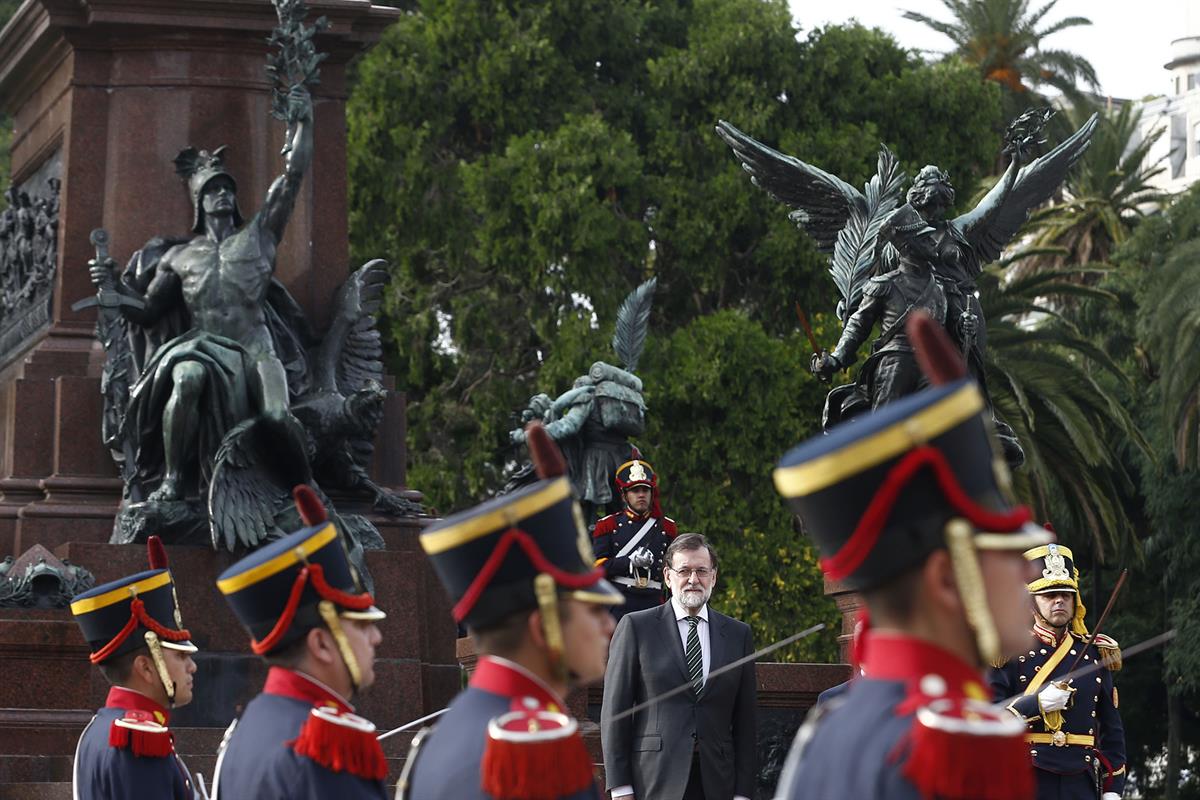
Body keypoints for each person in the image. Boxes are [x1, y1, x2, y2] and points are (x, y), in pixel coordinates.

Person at [771, 364, 1054, 799]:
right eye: (1007, 553)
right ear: (947, 579)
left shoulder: (828, 729)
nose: (1031, 571)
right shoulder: (961, 742)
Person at [89, 85, 314, 503]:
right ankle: (174, 481)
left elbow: (293, 177)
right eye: (213, 189)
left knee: (277, 416)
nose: (223, 193)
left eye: (227, 187)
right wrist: (115, 287)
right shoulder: (179, 257)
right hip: (203, 346)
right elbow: (150, 310)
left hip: (255, 348)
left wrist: (303, 120)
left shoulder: (261, 235)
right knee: (186, 377)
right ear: (199, 201)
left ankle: (306, 488)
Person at [400, 421, 622, 800]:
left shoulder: (438, 738)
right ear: (543, 625)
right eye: (592, 609)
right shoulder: (536, 748)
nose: (609, 623)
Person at [211, 486, 389, 799]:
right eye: (361, 626)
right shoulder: (329, 750)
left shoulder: (243, 734)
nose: (376, 637)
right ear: (320, 644)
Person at [601, 532, 757, 800]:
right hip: (654, 781)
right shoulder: (636, 627)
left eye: (701, 571)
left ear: (714, 577)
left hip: (718, 783)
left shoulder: (738, 634)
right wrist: (620, 788)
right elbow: (616, 712)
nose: (693, 580)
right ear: (668, 576)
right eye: (684, 571)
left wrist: (743, 792)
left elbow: (746, 720)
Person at [990, 542, 1126, 800]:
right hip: (1027, 779)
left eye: (1066, 594)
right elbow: (986, 720)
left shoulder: (1095, 653)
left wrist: (1113, 789)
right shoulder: (1008, 651)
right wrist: (1036, 704)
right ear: (1031, 603)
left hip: (1082, 782)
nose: (1059, 601)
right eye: (1049, 595)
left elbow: (1112, 729)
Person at [70, 538, 200, 799]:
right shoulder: (138, 741)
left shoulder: (100, 728)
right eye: (180, 656)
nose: (192, 667)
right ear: (146, 668)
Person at [591, 459, 678, 618]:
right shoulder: (608, 525)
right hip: (619, 606)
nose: (641, 495)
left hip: (654, 605)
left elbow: (675, 570)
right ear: (624, 495)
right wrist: (629, 562)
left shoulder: (667, 527)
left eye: (645, 490)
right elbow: (597, 568)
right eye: (635, 490)